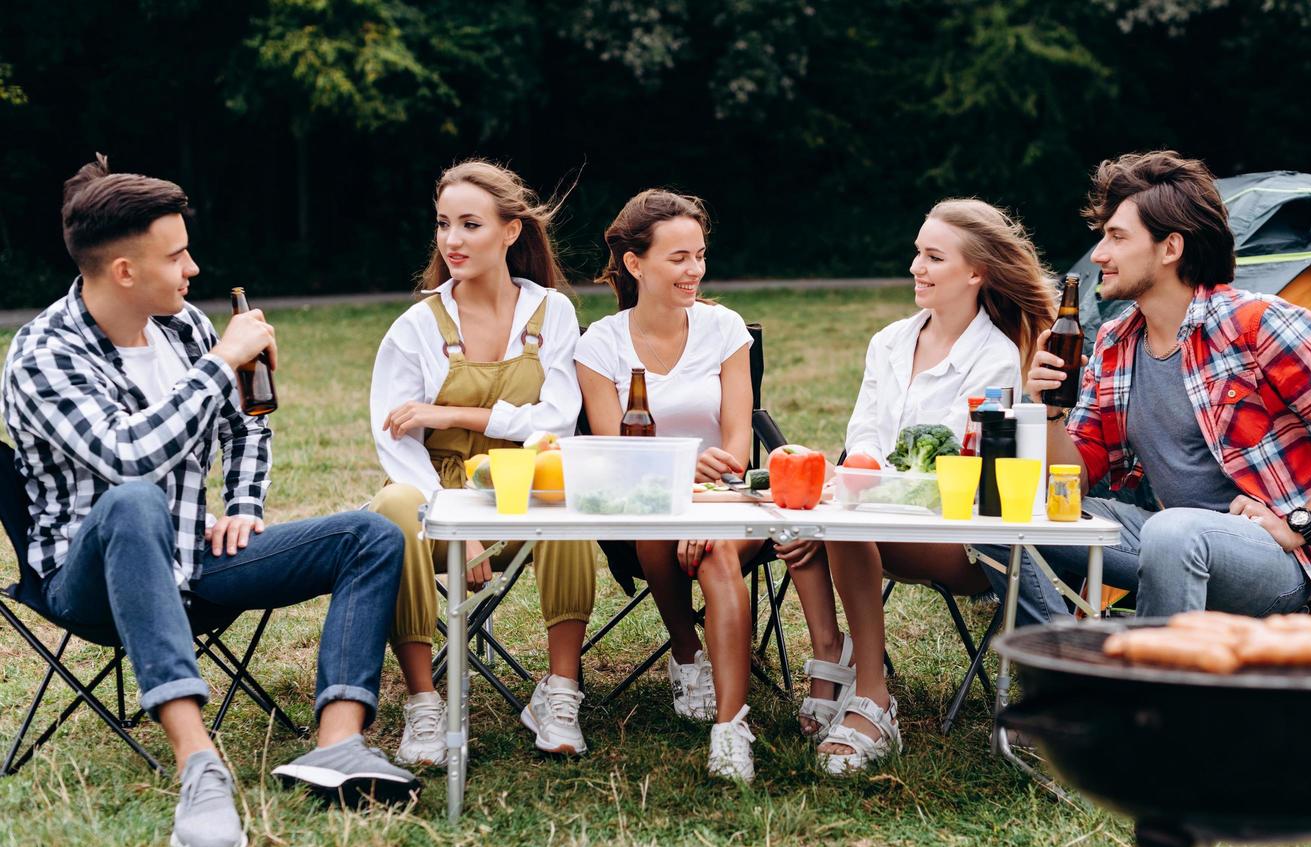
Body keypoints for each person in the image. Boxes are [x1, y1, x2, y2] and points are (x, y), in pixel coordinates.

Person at [1, 156, 418, 847]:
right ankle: (200, 766)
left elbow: (248, 420)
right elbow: (127, 456)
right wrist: (221, 362)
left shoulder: (186, 327)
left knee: (369, 535)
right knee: (133, 499)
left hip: (200, 561)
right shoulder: (43, 353)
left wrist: (244, 503)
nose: (192, 268)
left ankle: (338, 747)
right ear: (125, 272)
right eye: (177, 255)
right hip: (91, 582)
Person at [984, 149, 1311, 623]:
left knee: (1173, 532)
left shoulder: (1257, 325)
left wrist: (1298, 526)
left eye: (1117, 238)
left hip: (1274, 560)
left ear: (1170, 248)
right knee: (1003, 510)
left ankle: (1157, 692)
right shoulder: (1114, 343)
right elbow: (1073, 484)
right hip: (1168, 538)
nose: (1099, 254)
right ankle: (1064, 668)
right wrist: (1051, 412)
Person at [792, 199, 1054, 773]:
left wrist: (870, 484)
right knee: (803, 519)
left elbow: (966, 467)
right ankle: (831, 662)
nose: (917, 266)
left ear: (976, 273)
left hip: (959, 538)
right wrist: (860, 459)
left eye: (934, 257)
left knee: (841, 522)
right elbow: (862, 430)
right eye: (917, 252)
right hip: (878, 516)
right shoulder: (887, 342)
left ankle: (872, 701)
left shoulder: (998, 358)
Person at [369, 161, 596, 761]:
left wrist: (456, 415)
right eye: (444, 225)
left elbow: (555, 420)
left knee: (564, 488)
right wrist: (456, 529)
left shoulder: (553, 314)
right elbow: (395, 441)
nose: (452, 240)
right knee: (392, 506)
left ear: (510, 232)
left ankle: (559, 690)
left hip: (523, 485)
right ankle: (423, 703)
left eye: (470, 224)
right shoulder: (416, 327)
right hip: (438, 490)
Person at [576, 189, 788, 783]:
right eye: (678, 259)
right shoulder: (600, 346)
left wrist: (705, 505)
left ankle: (730, 727)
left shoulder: (724, 330)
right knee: (654, 530)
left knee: (716, 548)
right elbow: (614, 453)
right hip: (645, 505)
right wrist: (677, 485)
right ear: (635, 264)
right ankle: (686, 652)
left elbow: (738, 441)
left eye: (699, 255)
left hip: (728, 499)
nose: (694, 270)